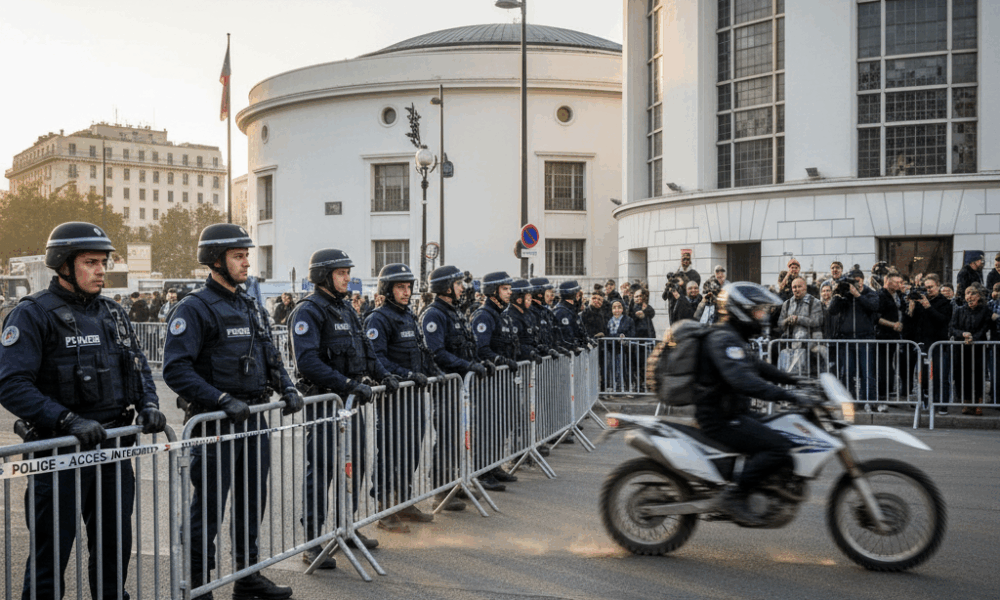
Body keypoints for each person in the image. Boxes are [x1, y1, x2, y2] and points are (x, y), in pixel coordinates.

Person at [0, 222, 165, 600]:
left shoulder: (113, 313)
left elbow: (137, 365)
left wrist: (149, 404)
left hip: (111, 450)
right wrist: (67, 420)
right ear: (63, 265)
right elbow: (11, 384)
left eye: (103, 262)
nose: (101, 270)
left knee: (114, 549)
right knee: (50, 557)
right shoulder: (32, 314)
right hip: (58, 454)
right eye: (91, 262)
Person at [163, 224, 303, 600]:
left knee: (250, 502)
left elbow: (270, 355)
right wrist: (222, 399)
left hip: (252, 417)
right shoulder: (193, 308)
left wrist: (287, 386)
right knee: (207, 509)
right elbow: (176, 369)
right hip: (215, 424)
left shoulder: (249, 304)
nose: (246, 263)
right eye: (238, 256)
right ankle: (198, 585)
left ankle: (248, 576)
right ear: (215, 260)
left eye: (246, 255)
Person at [288, 248, 395, 560]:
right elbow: (307, 362)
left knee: (355, 465)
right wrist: (348, 385)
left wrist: (383, 374)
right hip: (325, 403)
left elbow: (366, 350)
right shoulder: (309, 311)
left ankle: (347, 526)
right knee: (321, 470)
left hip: (349, 404)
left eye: (348, 272)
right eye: (341, 273)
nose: (347, 278)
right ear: (323, 276)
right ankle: (312, 541)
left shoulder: (346, 310)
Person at [694, 282, 806, 525]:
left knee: (783, 435)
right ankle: (734, 495)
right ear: (741, 310)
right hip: (720, 418)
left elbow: (757, 366)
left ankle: (763, 488)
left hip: (733, 412)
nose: (763, 316)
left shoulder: (733, 337)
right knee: (778, 447)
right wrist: (787, 395)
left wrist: (795, 381)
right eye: (758, 311)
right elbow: (743, 380)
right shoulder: (722, 338)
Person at [364, 263, 442, 524]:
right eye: (400, 287)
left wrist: (435, 372)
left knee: (410, 452)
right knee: (390, 452)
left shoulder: (409, 316)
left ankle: (404, 502)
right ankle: (385, 509)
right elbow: (377, 359)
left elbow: (421, 351)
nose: (406, 292)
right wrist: (407, 376)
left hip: (413, 398)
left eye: (408, 287)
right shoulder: (378, 318)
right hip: (393, 398)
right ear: (387, 289)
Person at [421, 265, 491, 505]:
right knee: (447, 437)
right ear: (445, 287)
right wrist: (467, 366)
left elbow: (467, 346)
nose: (462, 288)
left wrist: (478, 362)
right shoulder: (434, 314)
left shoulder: (455, 312)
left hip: (460, 386)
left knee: (458, 436)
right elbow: (436, 352)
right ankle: (441, 491)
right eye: (458, 283)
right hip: (446, 386)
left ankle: (455, 483)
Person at [470, 271, 520, 490]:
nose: (509, 292)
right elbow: (481, 348)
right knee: (488, 426)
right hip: (489, 381)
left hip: (504, 380)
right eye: (505, 289)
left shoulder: (503, 314)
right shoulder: (484, 316)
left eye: (509, 289)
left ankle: (495, 465)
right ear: (493, 292)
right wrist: (499, 359)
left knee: (503, 423)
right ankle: (482, 472)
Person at [828, 269, 879, 408]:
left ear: (862, 280)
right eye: (853, 281)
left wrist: (857, 295)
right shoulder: (845, 296)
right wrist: (837, 293)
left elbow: (874, 306)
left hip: (865, 339)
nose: (855, 284)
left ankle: (870, 402)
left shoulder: (870, 293)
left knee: (867, 373)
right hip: (847, 340)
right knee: (847, 373)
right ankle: (850, 402)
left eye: (857, 281)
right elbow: (832, 310)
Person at [904, 274, 953, 415]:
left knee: (940, 375)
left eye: (931, 287)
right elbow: (911, 324)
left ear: (938, 285)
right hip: (923, 344)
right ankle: (926, 401)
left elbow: (942, 320)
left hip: (938, 344)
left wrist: (928, 306)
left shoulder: (945, 302)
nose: (928, 290)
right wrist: (911, 309)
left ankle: (941, 404)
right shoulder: (920, 301)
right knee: (923, 376)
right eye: (926, 288)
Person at [948, 283, 991, 415]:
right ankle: (966, 402)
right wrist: (963, 335)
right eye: (967, 293)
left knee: (978, 375)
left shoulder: (985, 310)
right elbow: (952, 328)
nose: (970, 296)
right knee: (963, 375)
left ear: (979, 296)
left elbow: (985, 327)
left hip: (978, 348)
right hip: (962, 348)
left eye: (973, 293)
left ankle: (978, 402)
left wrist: (974, 338)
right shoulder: (960, 310)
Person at [776, 277, 825, 376]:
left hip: (810, 346)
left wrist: (799, 319)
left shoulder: (815, 302)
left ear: (805, 288)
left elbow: (817, 321)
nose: (796, 289)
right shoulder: (787, 304)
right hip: (789, 346)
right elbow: (780, 324)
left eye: (799, 286)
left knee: (805, 375)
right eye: (794, 287)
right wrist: (787, 321)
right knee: (788, 374)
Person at [875, 272, 910, 404]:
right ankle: (883, 394)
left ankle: (890, 391)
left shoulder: (898, 295)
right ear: (888, 281)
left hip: (896, 336)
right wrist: (892, 325)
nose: (900, 285)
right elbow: (876, 317)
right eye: (897, 282)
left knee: (893, 365)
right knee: (884, 366)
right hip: (884, 335)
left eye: (901, 282)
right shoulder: (880, 295)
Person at [552, 281, 590, 353]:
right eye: (578, 293)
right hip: (566, 358)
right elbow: (567, 336)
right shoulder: (562, 312)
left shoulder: (571, 310)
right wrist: (577, 345)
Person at [605, 299, 635, 391]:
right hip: (610, 348)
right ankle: (613, 387)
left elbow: (632, 334)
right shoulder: (608, 320)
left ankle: (626, 387)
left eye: (619, 307)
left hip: (624, 349)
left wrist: (624, 337)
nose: (616, 310)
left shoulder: (628, 320)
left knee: (624, 368)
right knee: (611, 368)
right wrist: (617, 336)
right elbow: (606, 333)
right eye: (614, 308)